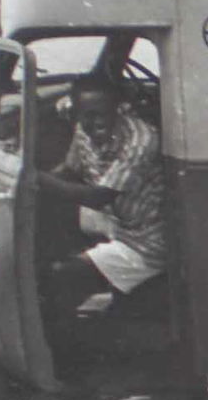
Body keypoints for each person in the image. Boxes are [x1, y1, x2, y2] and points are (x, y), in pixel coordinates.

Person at [40, 73, 166, 342]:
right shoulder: (82, 131)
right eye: (88, 115)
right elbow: (69, 170)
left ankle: (68, 346)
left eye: (103, 114)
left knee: (65, 277)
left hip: (145, 239)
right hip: (113, 221)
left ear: (118, 109)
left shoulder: (140, 141)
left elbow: (99, 196)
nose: (96, 123)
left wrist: (35, 180)